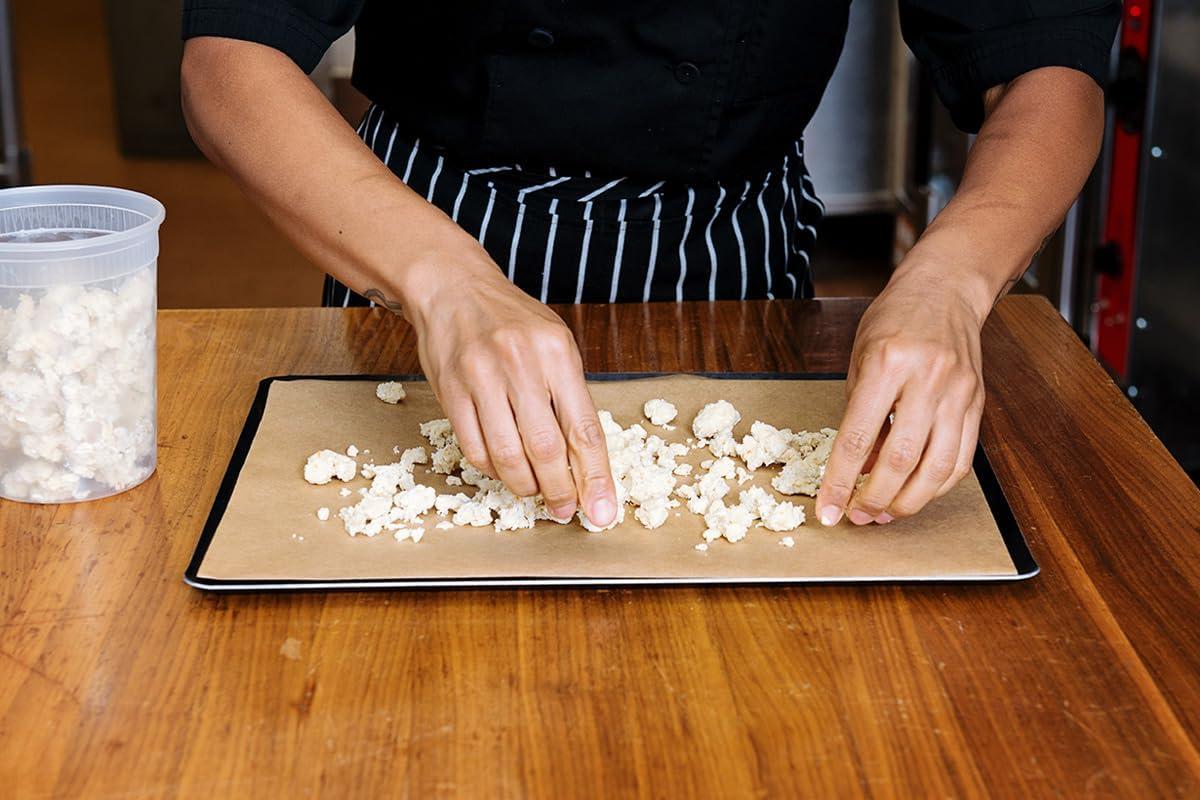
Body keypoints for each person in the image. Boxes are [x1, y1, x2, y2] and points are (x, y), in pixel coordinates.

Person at [180, 1, 1120, 529]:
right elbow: (230, 54)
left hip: (732, 256)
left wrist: (950, 282)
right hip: (419, 233)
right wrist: (442, 281)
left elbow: (1048, 67)